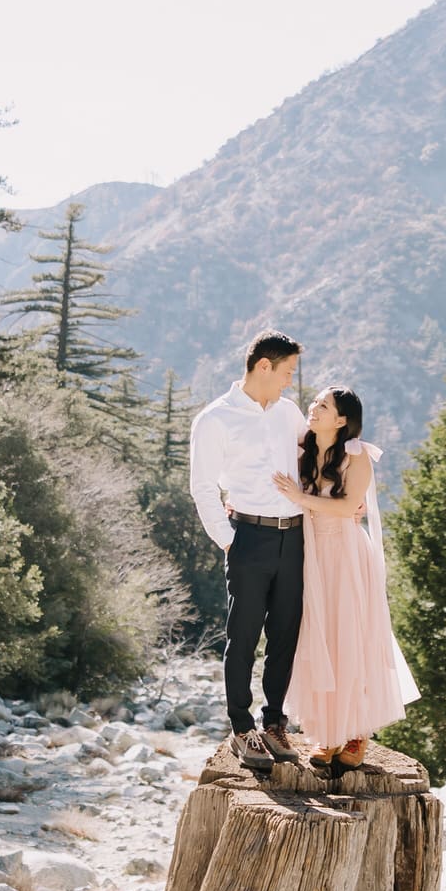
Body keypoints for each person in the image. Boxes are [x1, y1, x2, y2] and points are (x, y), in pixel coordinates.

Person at [272, 385, 419, 770]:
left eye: (323, 405)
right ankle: (327, 732)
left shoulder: (357, 455)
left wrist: (302, 499)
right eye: (316, 402)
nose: (313, 408)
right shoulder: (300, 445)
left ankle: (357, 732)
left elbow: (349, 507)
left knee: (351, 637)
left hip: (346, 556)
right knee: (317, 637)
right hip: (309, 554)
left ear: (341, 420)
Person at [188, 329, 310, 770]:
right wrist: (229, 541)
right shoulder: (215, 419)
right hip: (248, 537)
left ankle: (274, 721)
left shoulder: (289, 412)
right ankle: (242, 727)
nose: (289, 383)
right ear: (264, 366)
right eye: (287, 373)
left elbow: (312, 460)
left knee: (286, 633)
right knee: (243, 636)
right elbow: (202, 487)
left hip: (294, 536)